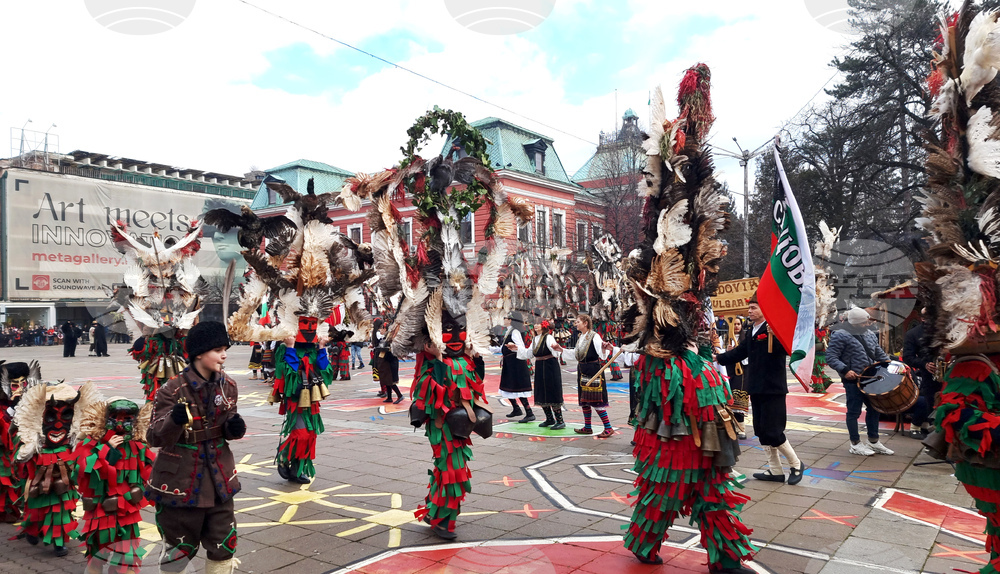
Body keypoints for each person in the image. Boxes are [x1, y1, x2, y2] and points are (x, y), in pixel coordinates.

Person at [146, 321, 245, 573]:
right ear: (199, 353)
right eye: (218, 350)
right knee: (179, 551)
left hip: (220, 480)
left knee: (224, 545)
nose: (223, 355)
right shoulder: (170, 389)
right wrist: (174, 420)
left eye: (225, 349)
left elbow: (227, 424)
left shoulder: (228, 385)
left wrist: (233, 428)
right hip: (180, 482)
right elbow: (154, 437)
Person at [717, 295, 806, 483]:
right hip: (756, 387)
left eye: (754, 308)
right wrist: (719, 358)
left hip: (773, 388)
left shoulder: (773, 329)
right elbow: (740, 352)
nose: (749, 311)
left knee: (774, 430)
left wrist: (778, 335)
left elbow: (788, 349)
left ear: (765, 309)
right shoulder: (751, 330)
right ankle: (775, 470)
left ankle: (796, 464)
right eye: (749, 308)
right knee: (761, 430)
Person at [15, 380, 100, 556]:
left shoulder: (73, 442)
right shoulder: (34, 444)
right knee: (36, 505)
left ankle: (58, 541)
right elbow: (22, 461)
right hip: (39, 480)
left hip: (64, 483)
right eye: (50, 416)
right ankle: (32, 528)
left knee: (61, 507)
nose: (59, 425)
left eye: (67, 415)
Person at [75, 397, 155, 574]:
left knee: (127, 551)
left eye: (127, 419)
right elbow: (83, 472)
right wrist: (106, 450)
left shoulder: (137, 446)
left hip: (128, 511)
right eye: (114, 417)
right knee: (97, 550)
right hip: (100, 510)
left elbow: (150, 472)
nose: (120, 425)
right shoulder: (91, 444)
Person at [825, 306, 895, 456]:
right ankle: (855, 443)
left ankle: (873, 441)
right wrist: (845, 370)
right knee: (854, 411)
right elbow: (831, 357)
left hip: (870, 378)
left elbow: (878, 352)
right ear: (854, 322)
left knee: (875, 409)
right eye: (864, 322)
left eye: (867, 321)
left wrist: (890, 364)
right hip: (852, 380)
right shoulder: (840, 335)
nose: (867, 324)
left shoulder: (869, 333)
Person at [511, 319, 566, 429]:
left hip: (550, 367)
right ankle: (549, 418)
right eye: (534, 324)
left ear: (544, 326)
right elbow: (529, 353)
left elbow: (556, 352)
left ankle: (560, 420)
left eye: (538, 324)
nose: (535, 326)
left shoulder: (548, 337)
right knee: (541, 391)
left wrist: (556, 349)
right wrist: (517, 349)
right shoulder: (535, 339)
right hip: (540, 366)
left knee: (552, 391)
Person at [573, 314, 615, 438]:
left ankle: (608, 428)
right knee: (584, 401)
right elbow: (576, 354)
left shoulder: (594, 336)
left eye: (578, 321)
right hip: (582, 369)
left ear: (585, 323)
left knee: (596, 400)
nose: (576, 324)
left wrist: (604, 349)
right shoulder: (580, 337)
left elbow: (602, 355)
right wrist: (561, 350)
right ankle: (587, 427)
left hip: (593, 370)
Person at [901, 310, 938, 439]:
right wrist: (924, 364)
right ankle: (934, 434)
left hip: (950, 373)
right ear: (923, 318)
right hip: (929, 375)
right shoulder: (913, 333)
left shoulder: (945, 329)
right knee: (930, 402)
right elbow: (908, 356)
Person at [498, 311, 534, 422]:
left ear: (510, 320)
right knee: (507, 385)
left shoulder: (515, 332)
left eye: (505, 317)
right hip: (510, 363)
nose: (504, 319)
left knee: (518, 387)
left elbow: (521, 347)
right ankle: (516, 408)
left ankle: (529, 412)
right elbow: (502, 347)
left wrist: (514, 347)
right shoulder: (509, 331)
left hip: (516, 364)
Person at [722, 318, 749, 439]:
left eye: (738, 324)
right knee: (727, 398)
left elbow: (748, 355)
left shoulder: (745, 338)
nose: (736, 326)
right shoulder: (724, 338)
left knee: (739, 398)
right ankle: (729, 427)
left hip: (741, 371)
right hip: (727, 371)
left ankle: (741, 429)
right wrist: (726, 352)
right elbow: (718, 353)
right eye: (734, 324)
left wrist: (736, 353)